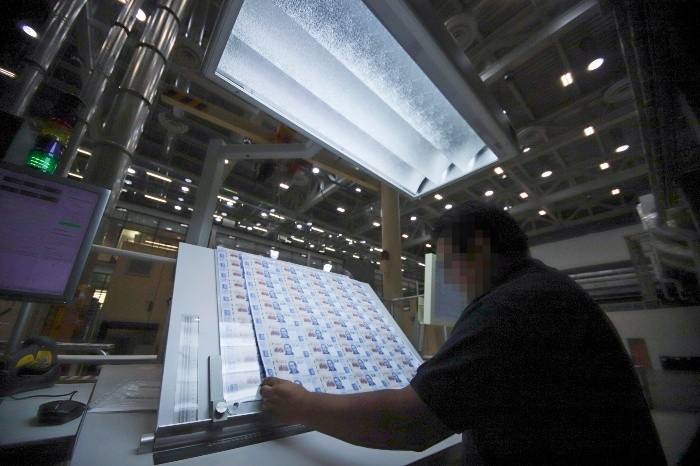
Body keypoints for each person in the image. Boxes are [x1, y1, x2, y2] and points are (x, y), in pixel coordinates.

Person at [260, 200, 665, 463]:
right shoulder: (542, 288)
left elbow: (411, 423)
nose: (450, 280)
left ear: (480, 249)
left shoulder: (510, 306)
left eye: (448, 263)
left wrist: (302, 405)